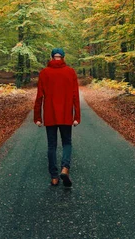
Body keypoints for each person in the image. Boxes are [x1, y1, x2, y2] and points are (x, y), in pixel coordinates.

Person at [34, 47, 81, 188]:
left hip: (50, 115)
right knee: (67, 143)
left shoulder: (44, 73)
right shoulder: (70, 72)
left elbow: (39, 97)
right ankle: (65, 168)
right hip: (66, 114)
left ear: (52, 57)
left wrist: (38, 117)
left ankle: (54, 177)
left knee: (51, 145)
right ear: (63, 57)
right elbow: (75, 96)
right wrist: (77, 116)